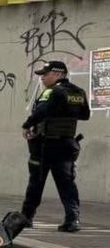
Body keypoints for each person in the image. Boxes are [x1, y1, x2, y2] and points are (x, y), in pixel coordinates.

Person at [20, 60, 91, 232]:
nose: (42, 78)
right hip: (67, 144)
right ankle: (73, 220)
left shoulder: (52, 92)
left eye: (46, 74)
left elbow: (41, 111)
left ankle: (26, 217)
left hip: (45, 145)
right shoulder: (78, 92)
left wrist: (27, 125)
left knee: (36, 182)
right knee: (67, 184)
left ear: (59, 74)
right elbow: (85, 115)